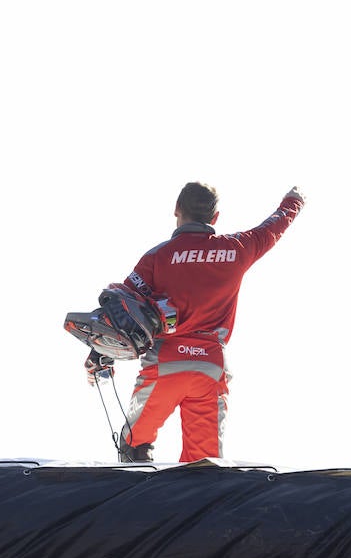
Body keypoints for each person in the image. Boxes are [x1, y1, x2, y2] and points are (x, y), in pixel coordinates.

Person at [90, 182, 305, 462]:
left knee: (134, 446)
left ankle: (141, 501)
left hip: (165, 363)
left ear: (177, 209)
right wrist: (294, 201)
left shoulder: (158, 256)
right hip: (210, 369)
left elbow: (120, 311)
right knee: (204, 468)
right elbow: (273, 227)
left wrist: (99, 352)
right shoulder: (237, 249)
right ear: (214, 218)